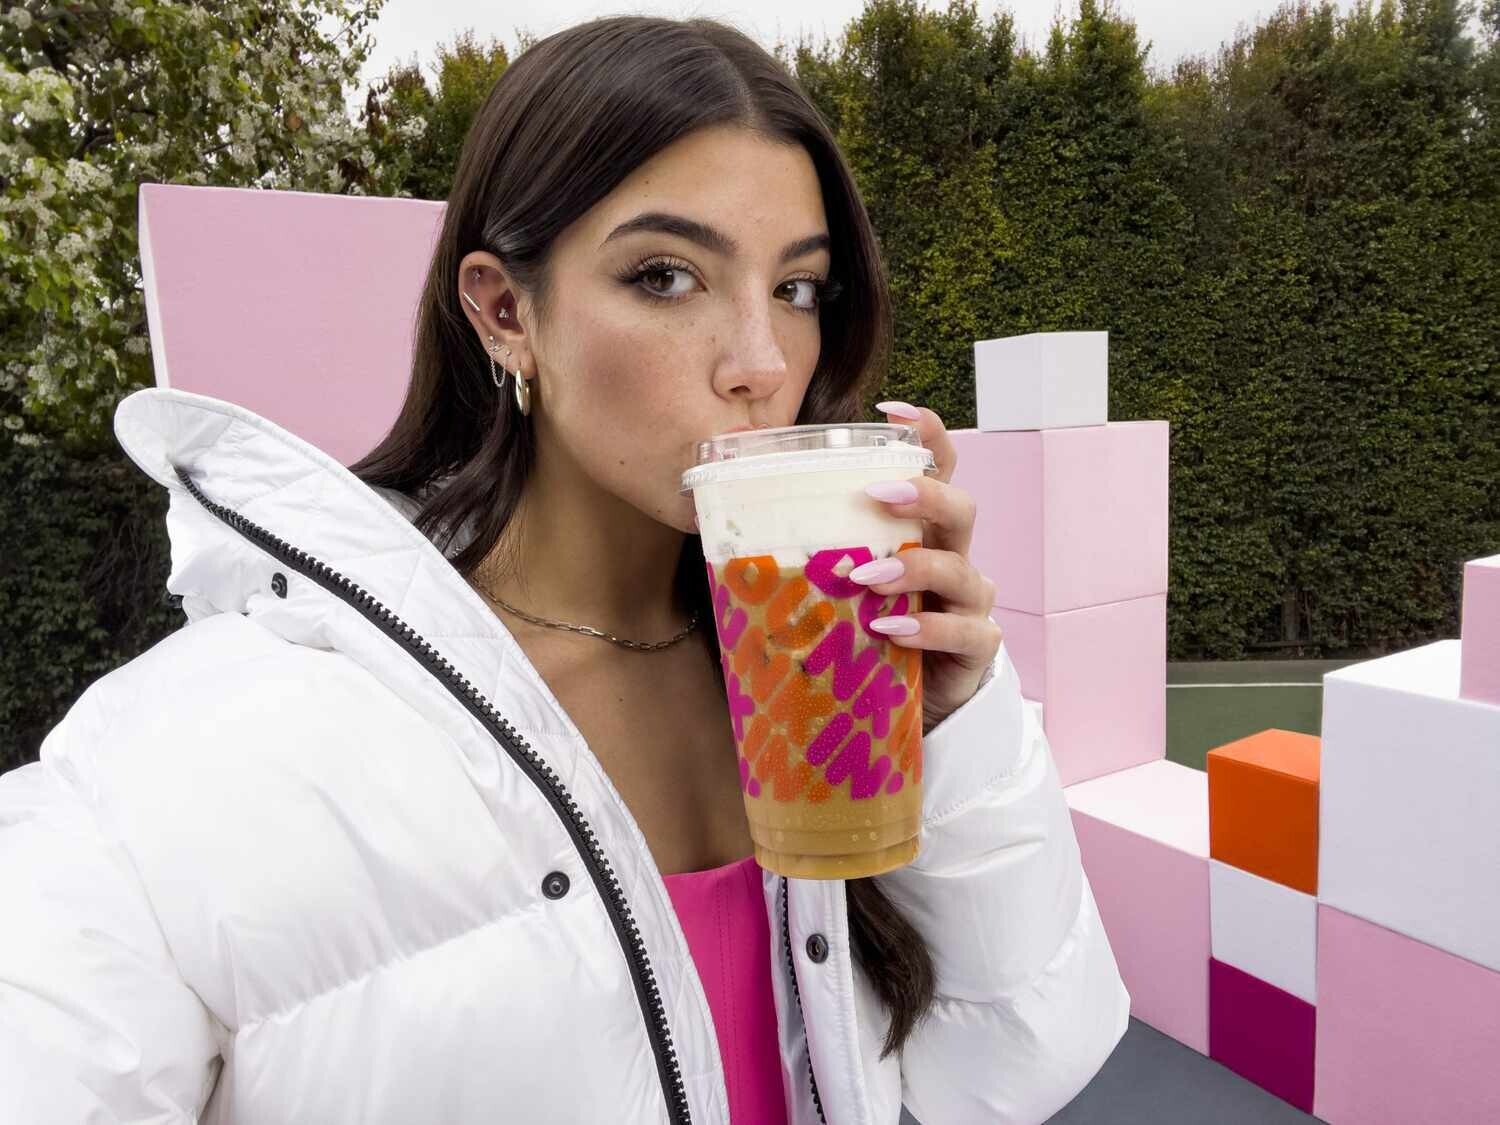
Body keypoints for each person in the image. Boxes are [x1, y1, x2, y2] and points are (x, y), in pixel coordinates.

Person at [0, 15, 1128, 1124]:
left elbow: (1012, 1062)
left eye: (796, 289)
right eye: (667, 277)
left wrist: (957, 731)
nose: (761, 363)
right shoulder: (199, 748)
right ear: (504, 313)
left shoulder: (814, 673)